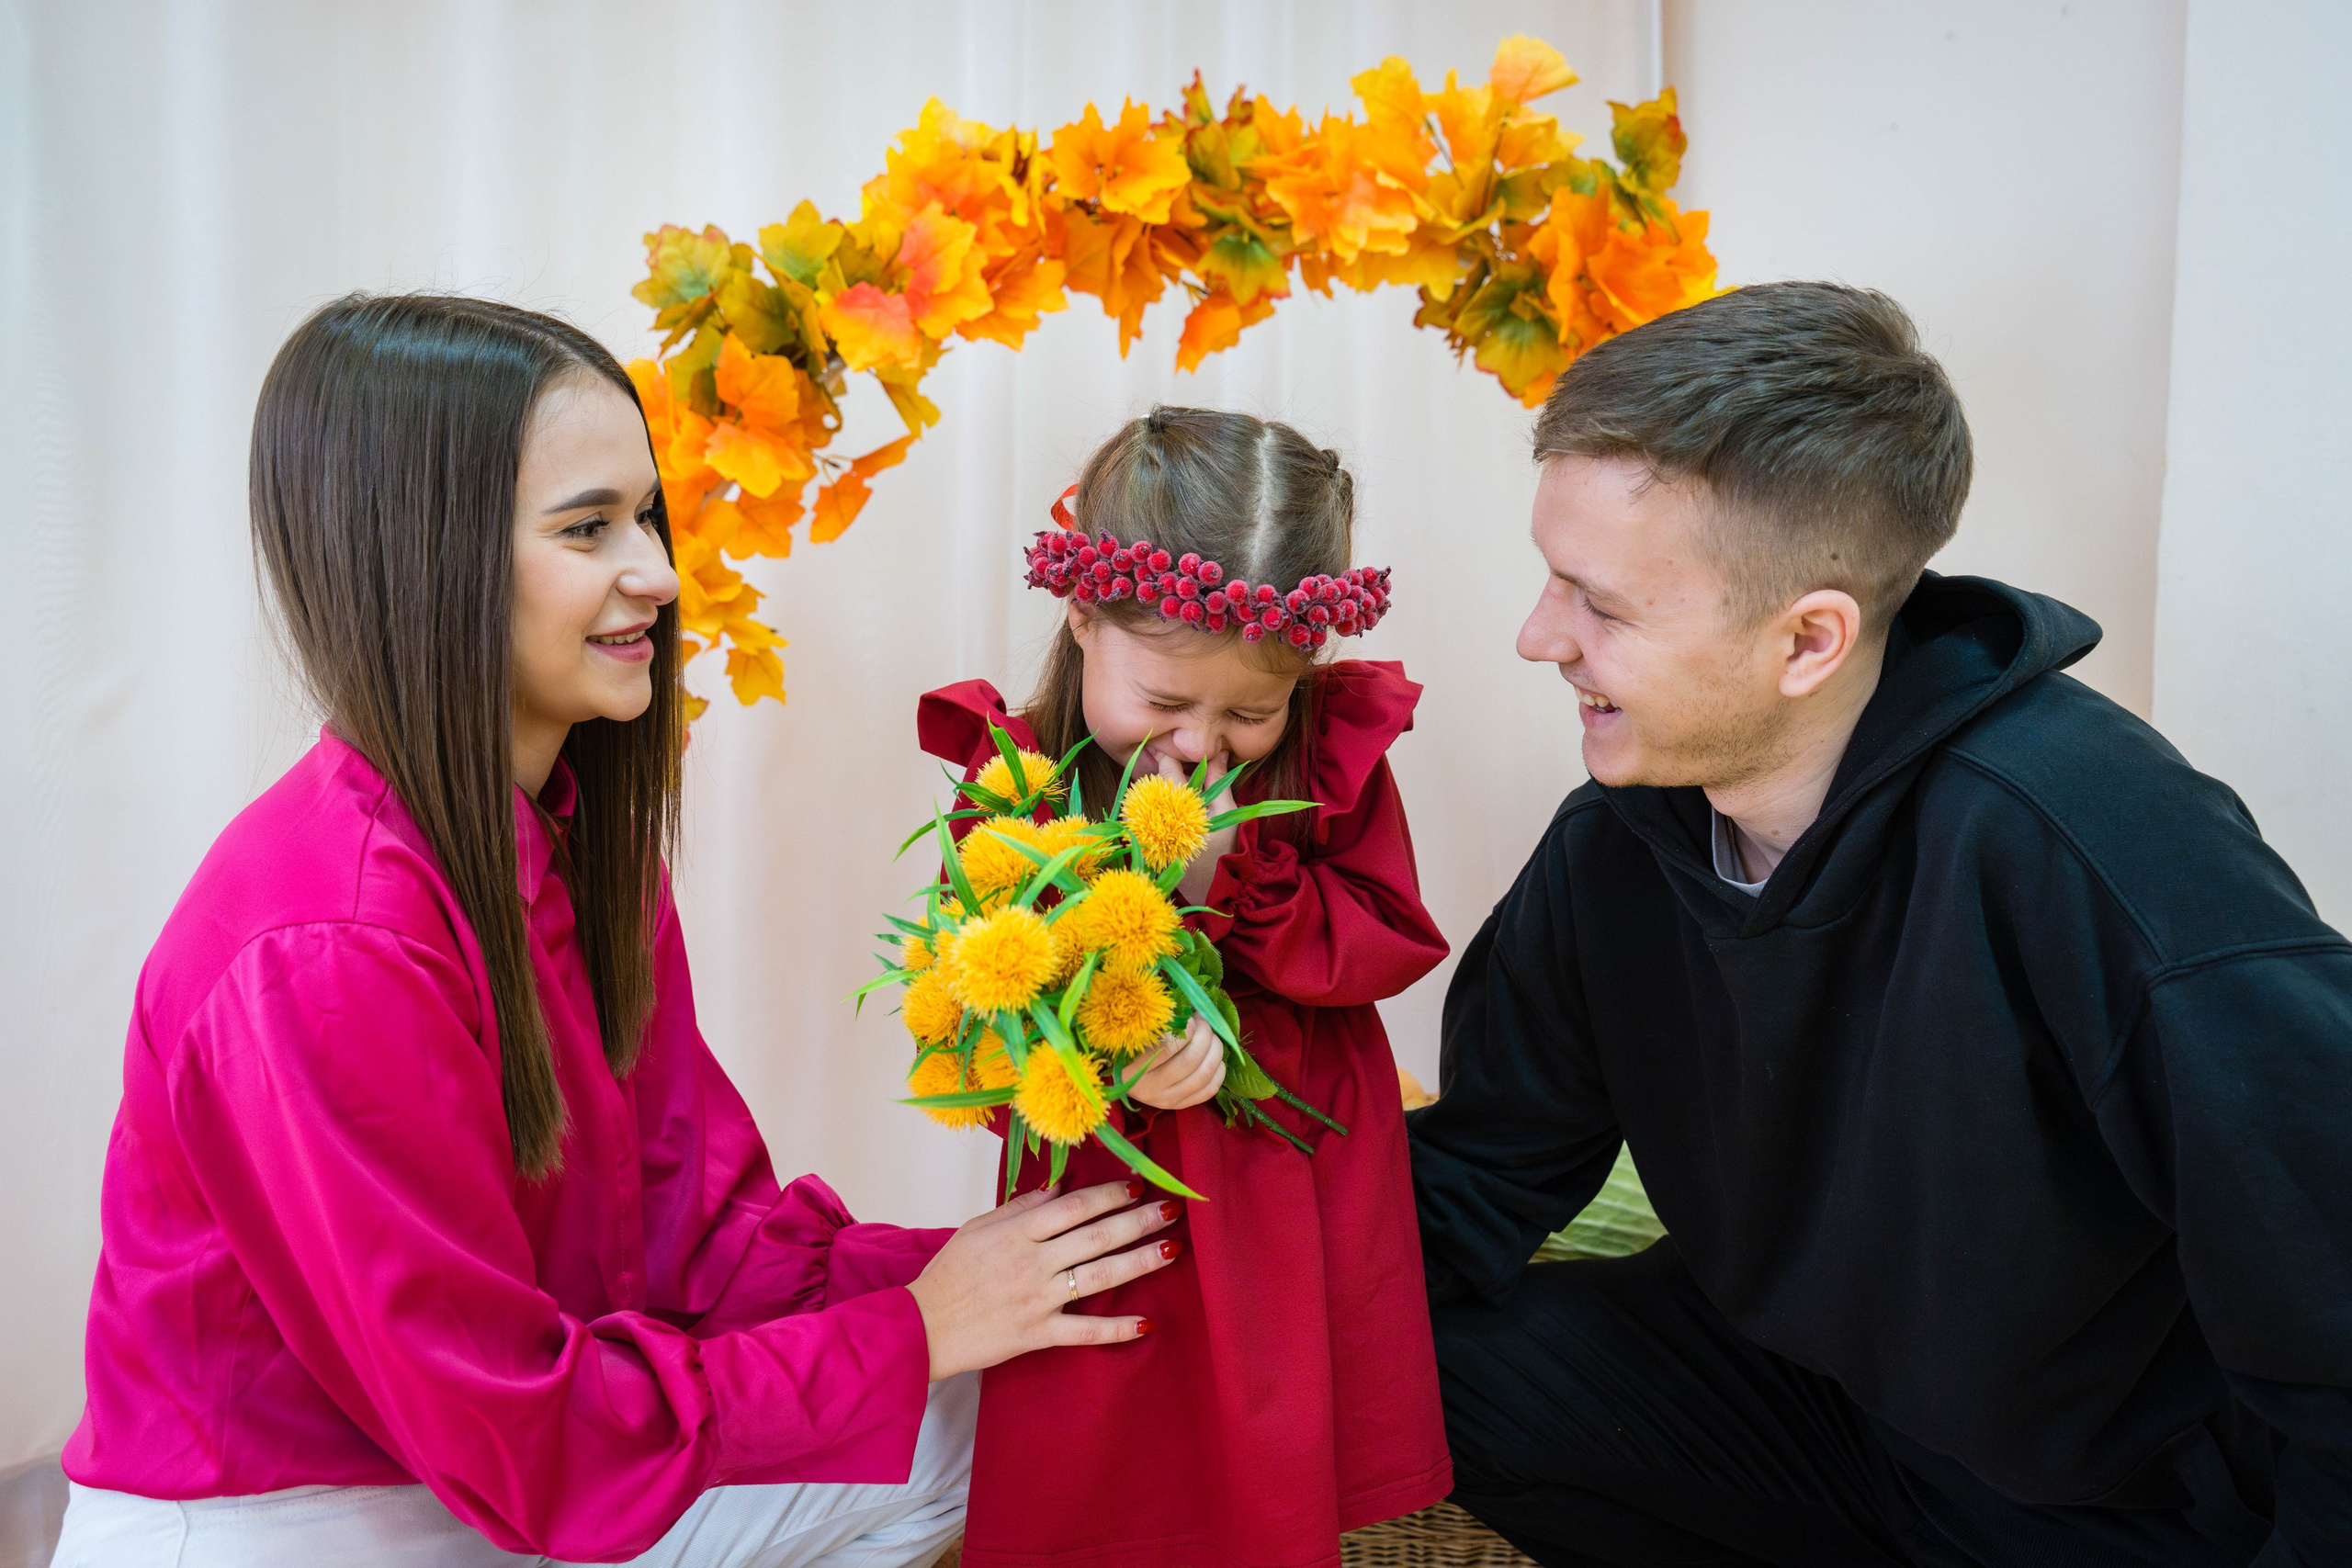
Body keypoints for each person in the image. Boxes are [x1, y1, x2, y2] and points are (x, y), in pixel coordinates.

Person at [52, 293, 1182, 1568]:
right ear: (432, 555)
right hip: (302, 1521)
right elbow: (522, 1436)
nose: (656, 568)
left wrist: (975, 1274)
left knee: (1037, 1380)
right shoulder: (326, 947)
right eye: (589, 527)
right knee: (960, 1416)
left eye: (645, 514)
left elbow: (698, 1238)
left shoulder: (573, 838)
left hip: (464, 1479)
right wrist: (918, 1328)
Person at [1408, 281, 2352, 1566]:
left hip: (2122, 1507)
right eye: (1552, 580)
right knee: (1434, 1373)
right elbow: (1480, 1174)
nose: (1537, 637)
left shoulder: (2097, 848)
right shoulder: (1620, 842)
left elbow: (2333, 1320)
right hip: (1829, 1416)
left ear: (1809, 638)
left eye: (1602, 604)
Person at [917, 408, 1453, 1568]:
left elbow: (1386, 936)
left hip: (1282, 1171)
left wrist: (1233, 876)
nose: (1206, 744)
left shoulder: (1324, 766)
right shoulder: (1019, 781)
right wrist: (1112, 1046)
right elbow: (986, 989)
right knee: (1102, 1424)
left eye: (1249, 713)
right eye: (1166, 705)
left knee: (1266, 1443)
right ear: (1080, 615)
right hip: (1114, 1172)